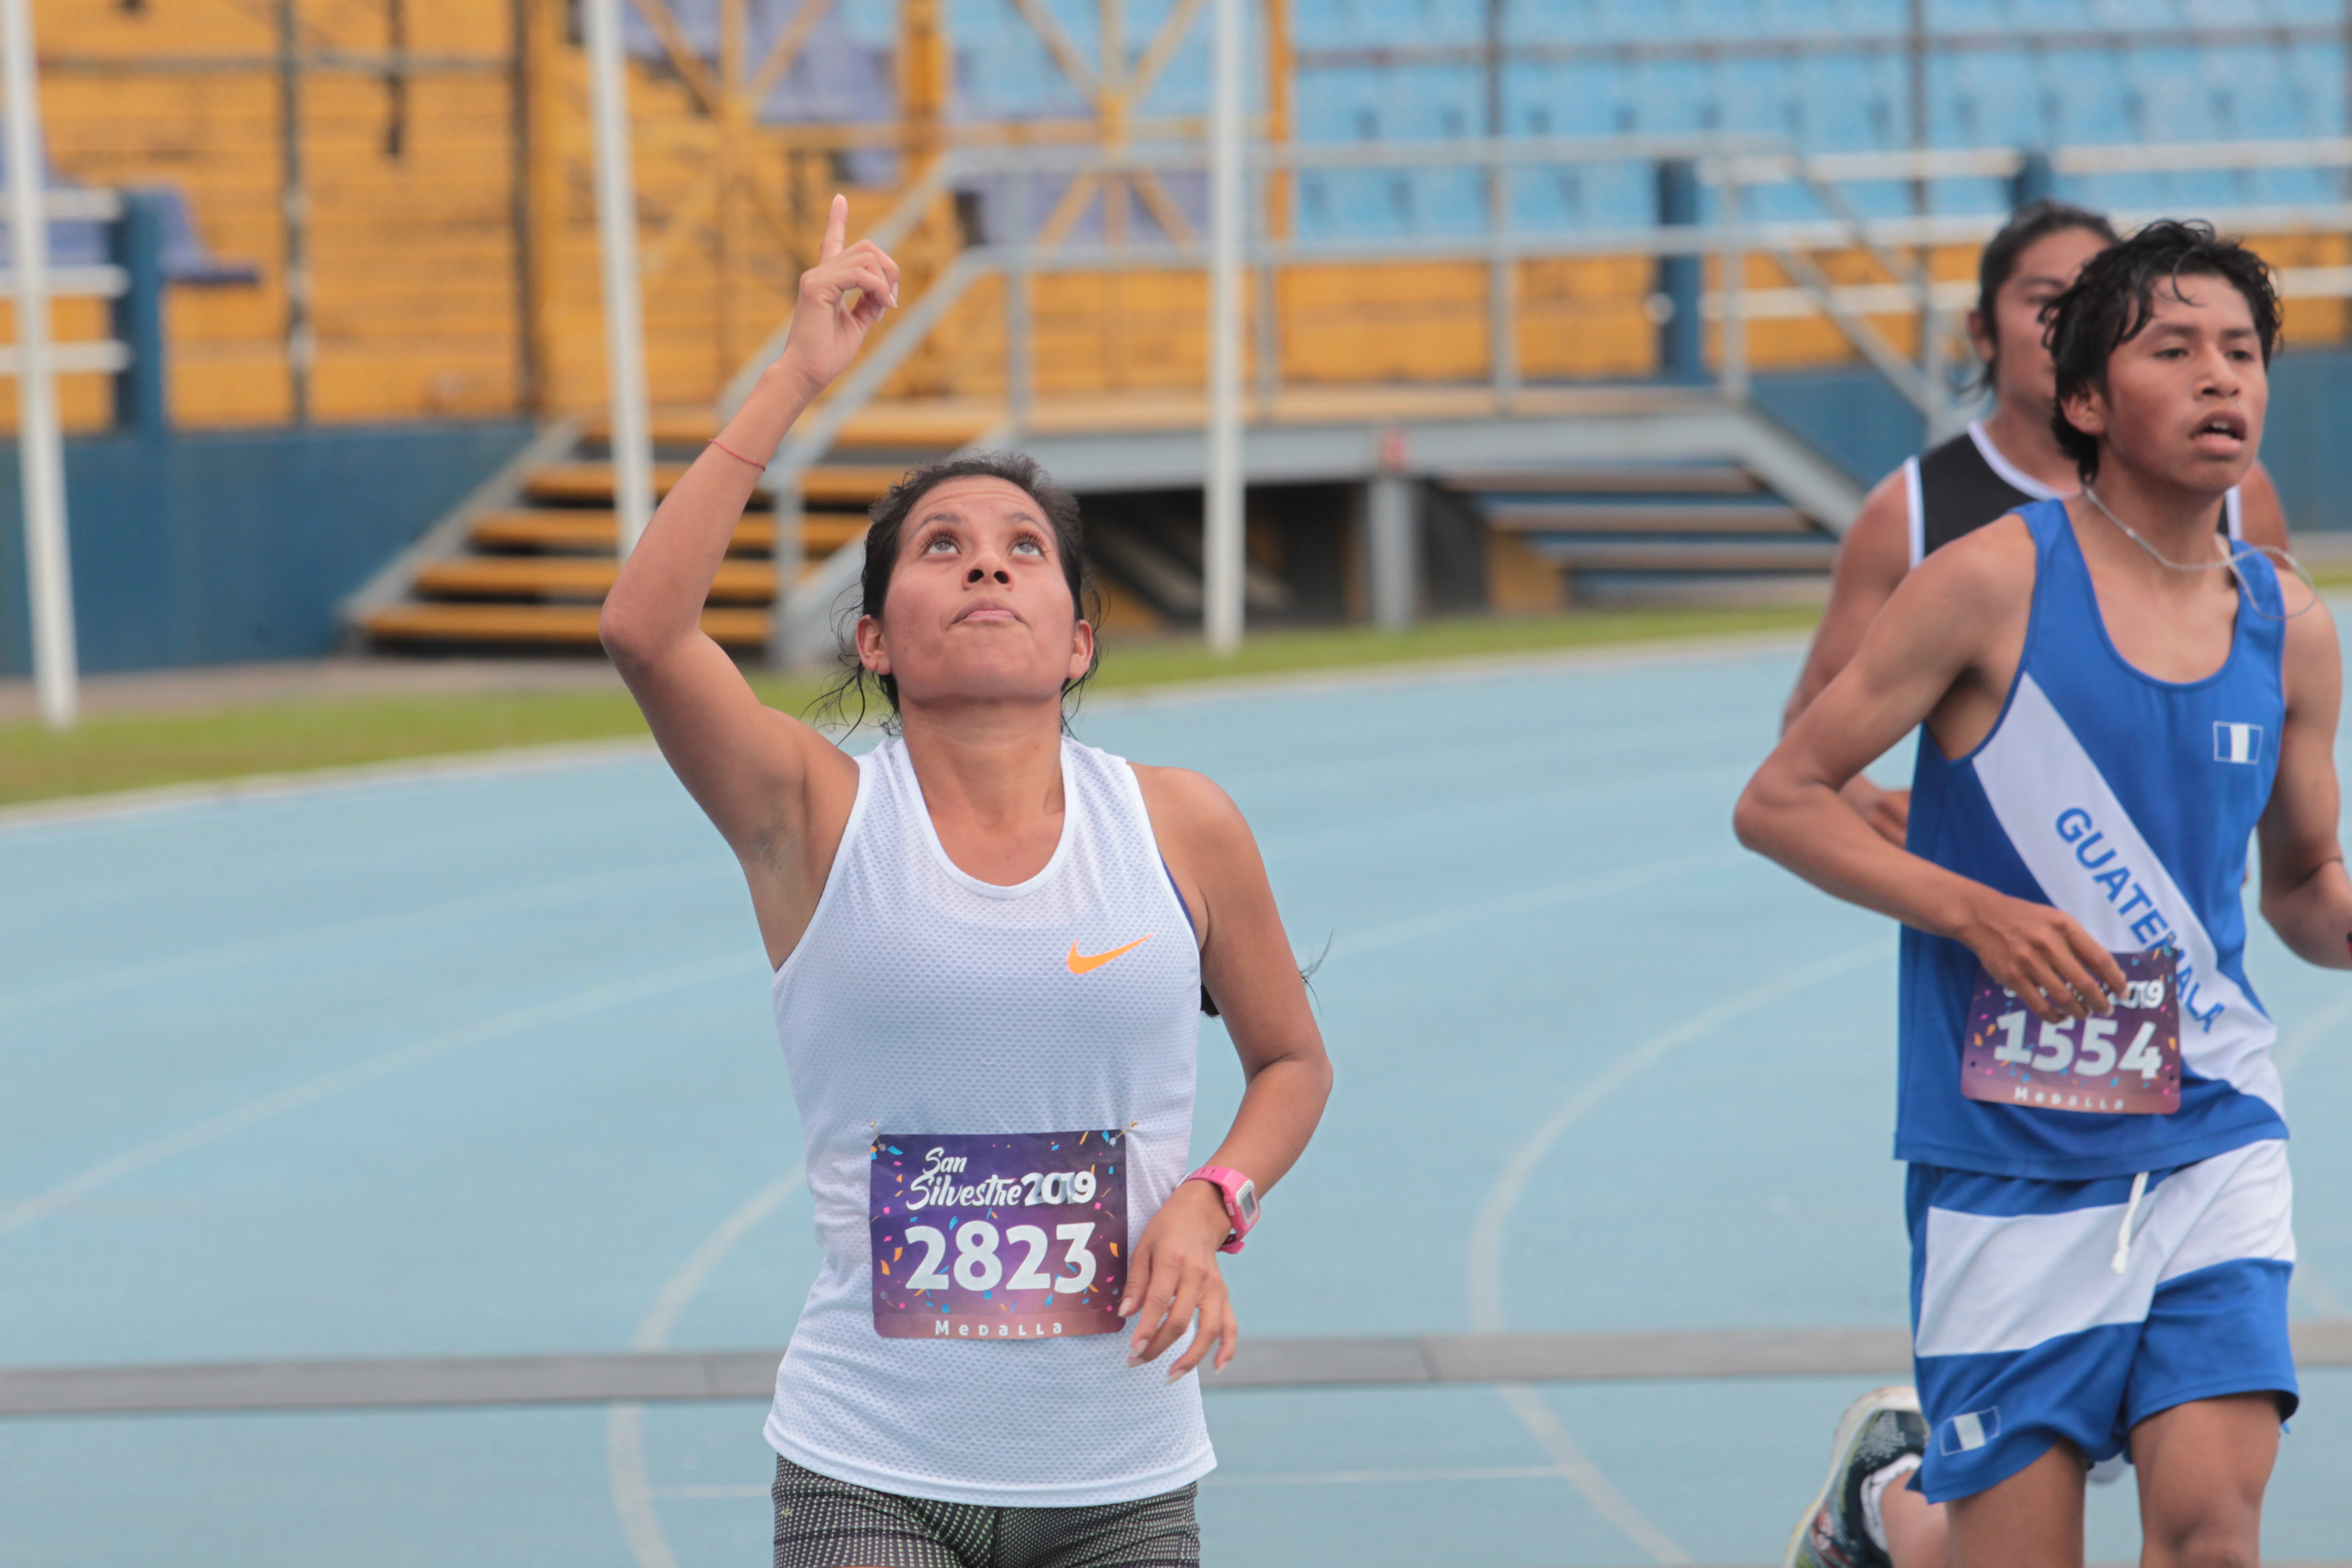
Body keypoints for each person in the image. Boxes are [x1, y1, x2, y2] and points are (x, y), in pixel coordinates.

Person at [600, 196, 1333, 1568]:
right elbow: (645, 628)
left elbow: (1292, 1063)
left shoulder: (1181, 826)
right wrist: (799, 375)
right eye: (941, 546)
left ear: (1078, 641)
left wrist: (1213, 1197)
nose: (986, 559)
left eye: (1022, 547)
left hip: (1122, 1470)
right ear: (875, 639)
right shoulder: (813, 815)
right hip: (871, 1469)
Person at [1737, 220, 2343, 1568]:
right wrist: (1973, 911)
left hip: (2212, 1128)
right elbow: (1778, 798)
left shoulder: (2291, 625)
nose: (2220, 381)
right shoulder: (1987, 582)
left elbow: (2303, 885)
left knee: (2211, 1531)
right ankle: (1884, 1511)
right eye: (2174, 351)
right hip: (2008, 1153)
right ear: (2084, 400)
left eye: (2242, 352)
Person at [1783, 200, 2293, 847]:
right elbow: (1810, 730)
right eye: (2046, 301)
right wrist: (1888, 819)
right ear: (1983, 331)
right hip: (2002, 919)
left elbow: (2267, 690)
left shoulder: (2240, 494)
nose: (2066, 324)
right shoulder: (1911, 509)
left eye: (2093, 300)